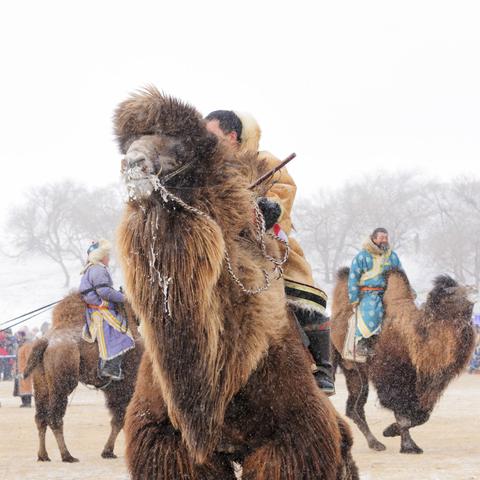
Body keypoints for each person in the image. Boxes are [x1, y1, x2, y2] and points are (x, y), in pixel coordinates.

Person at [205, 110, 335, 395]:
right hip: (222, 250)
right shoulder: (207, 172)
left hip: (267, 245)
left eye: (211, 135)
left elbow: (284, 189)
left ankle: (323, 367)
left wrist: (269, 206)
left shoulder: (265, 161)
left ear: (232, 136)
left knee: (303, 297)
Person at [79, 239, 135, 381]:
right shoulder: (98, 269)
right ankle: (110, 367)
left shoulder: (90, 269)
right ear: (100, 256)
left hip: (95, 309)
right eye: (107, 255)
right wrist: (124, 298)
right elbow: (104, 292)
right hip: (101, 311)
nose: (109, 258)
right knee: (122, 332)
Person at [348, 228, 403, 355]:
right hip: (369, 293)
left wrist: (408, 291)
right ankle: (363, 342)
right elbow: (353, 278)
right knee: (372, 310)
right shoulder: (362, 256)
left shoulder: (392, 256)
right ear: (374, 238)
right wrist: (354, 298)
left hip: (389, 292)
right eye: (382, 237)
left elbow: (401, 274)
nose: (385, 240)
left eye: (386, 237)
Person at [13, 331, 33, 407]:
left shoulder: (27, 346)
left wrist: (27, 369)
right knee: (21, 387)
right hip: (19, 369)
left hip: (25, 370)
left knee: (26, 386)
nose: (17, 338)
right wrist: (15, 368)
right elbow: (17, 359)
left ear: (22, 336)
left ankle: (28, 402)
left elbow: (28, 359)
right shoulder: (19, 347)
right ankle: (24, 402)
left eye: (19, 336)